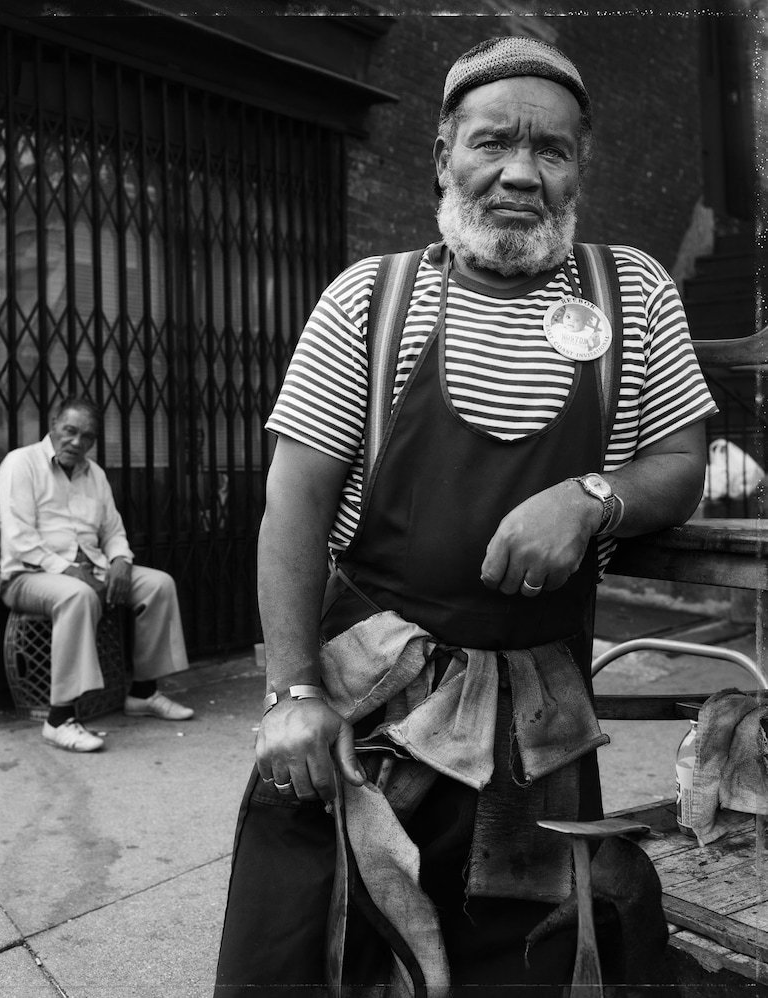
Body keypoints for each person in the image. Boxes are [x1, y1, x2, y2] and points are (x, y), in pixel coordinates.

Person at [214, 35, 716, 996]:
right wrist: (291, 697)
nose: (521, 172)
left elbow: (681, 462)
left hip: (536, 734)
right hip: (362, 716)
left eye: (552, 150)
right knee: (300, 967)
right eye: (492, 143)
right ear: (444, 155)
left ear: (579, 168)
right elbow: (292, 508)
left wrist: (591, 496)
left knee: (518, 971)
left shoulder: (634, 291)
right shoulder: (371, 299)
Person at [0, 396, 194, 753]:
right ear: (54, 423)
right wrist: (72, 572)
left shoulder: (95, 474)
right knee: (77, 594)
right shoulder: (20, 463)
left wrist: (120, 560)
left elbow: (113, 530)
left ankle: (143, 692)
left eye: (87, 437)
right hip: (28, 576)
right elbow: (19, 539)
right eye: (70, 431)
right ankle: (59, 718)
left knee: (158, 585)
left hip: (93, 569)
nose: (77, 442)